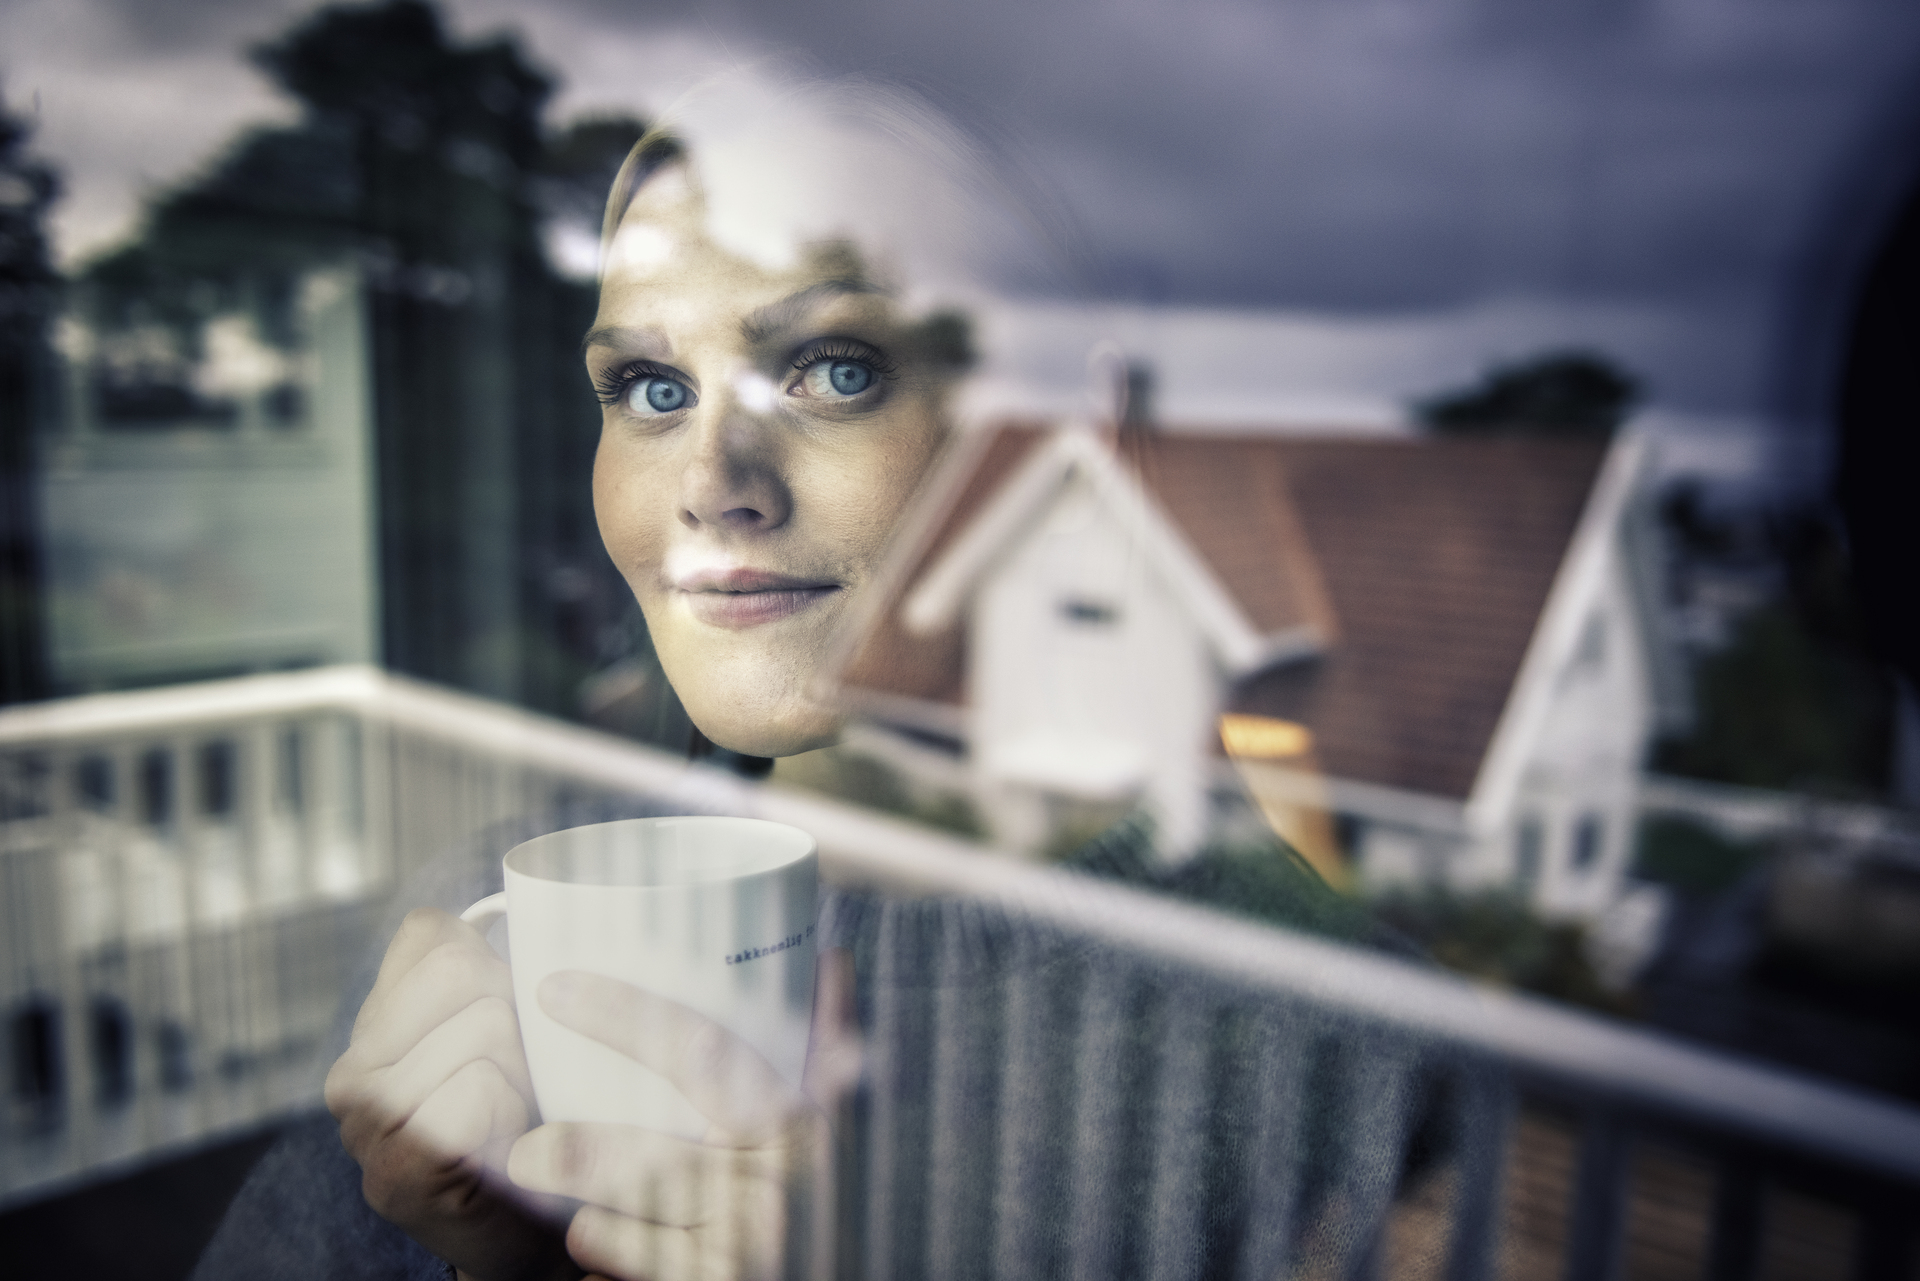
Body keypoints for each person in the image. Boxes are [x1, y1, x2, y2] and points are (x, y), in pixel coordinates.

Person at [197, 71, 1024, 1281]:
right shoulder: (492, 914)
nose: (710, 481)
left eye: (836, 369)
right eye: (650, 389)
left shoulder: (1341, 1052)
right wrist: (501, 1265)